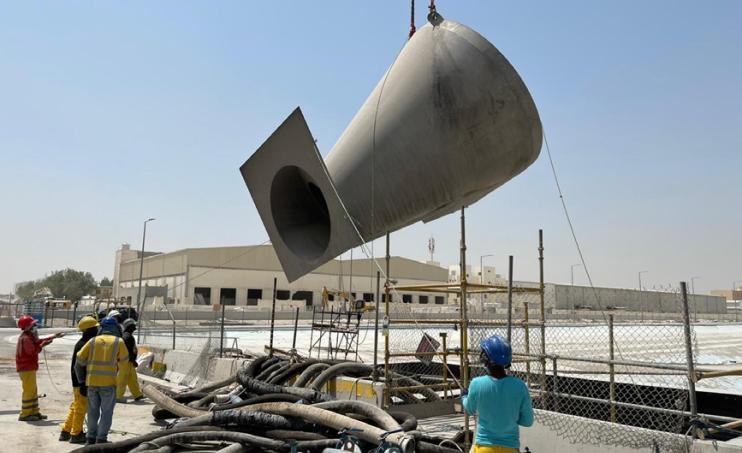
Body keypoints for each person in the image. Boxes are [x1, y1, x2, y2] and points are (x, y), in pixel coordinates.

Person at [462, 335, 534, 453]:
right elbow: (528, 421)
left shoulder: (476, 383)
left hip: (483, 448)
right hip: (510, 449)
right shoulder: (520, 386)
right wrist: (510, 419)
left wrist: (464, 396)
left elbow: (469, 409)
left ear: (485, 358)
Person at [75, 316, 128, 445]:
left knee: (92, 411)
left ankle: (90, 438)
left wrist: (81, 380)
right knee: (106, 412)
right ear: (115, 328)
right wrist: (120, 385)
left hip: (92, 383)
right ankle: (101, 439)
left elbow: (79, 361)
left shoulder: (93, 341)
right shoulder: (119, 342)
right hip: (109, 385)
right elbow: (125, 366)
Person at [15, 315, 63, 421]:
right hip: (26, 368)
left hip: (29, 368)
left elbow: (38, 341)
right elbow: (32, 351)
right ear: (28, 327)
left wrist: (54, 336)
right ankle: (25, 414)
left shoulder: (29, 336)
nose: (35, 326)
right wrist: (43, 345)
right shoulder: (26, 338)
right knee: (28, 391)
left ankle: (34, 412)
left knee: (33, 390)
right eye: (33, 325)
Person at [59, 316, 99, 443]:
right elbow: (78, 367)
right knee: (81, 408)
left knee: (76, 406)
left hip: (78, 381)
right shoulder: (84, 344)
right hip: (80, 382)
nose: (96, 331)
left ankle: (65, 431)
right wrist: (82, 384)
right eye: (94, 329)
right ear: (87, 330)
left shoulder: (84, 343)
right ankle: (76, 434)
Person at [116, 318, 144, 403]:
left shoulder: (127, 336)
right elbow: (127, 351)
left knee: (132, 379)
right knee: (122, 379)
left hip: (129, 362)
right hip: (125, 362)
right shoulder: (127, 337)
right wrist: (133, 360)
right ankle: (118, 396)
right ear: (129, 327)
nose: (135, 328)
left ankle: (137, 395)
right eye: (133, 326)